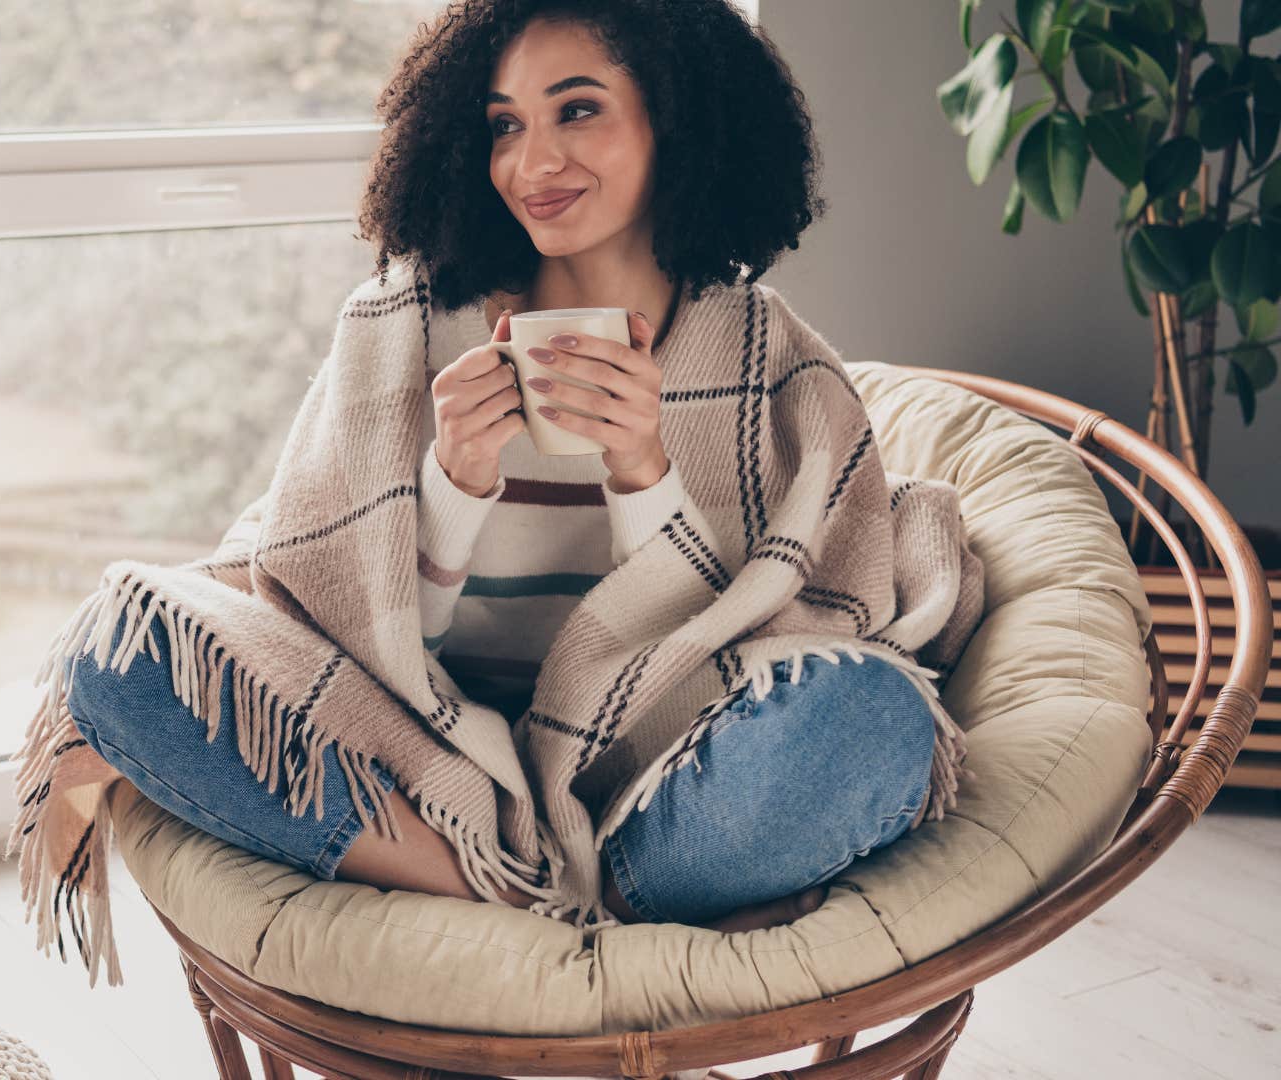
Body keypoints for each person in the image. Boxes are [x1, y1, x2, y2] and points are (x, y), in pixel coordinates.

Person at [66, 0, 937, 933]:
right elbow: (340, 623)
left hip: (660, 769)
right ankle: (524, 893)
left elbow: (754, 642)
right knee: (118, 652)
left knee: (874, 716)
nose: (534, 163)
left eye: (578, 109)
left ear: (678, 120)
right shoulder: (402, 326)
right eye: (504, 126)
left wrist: (644, 473)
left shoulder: (771, 359)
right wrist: (453, 486)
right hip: (418, 754)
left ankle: (616, 878)